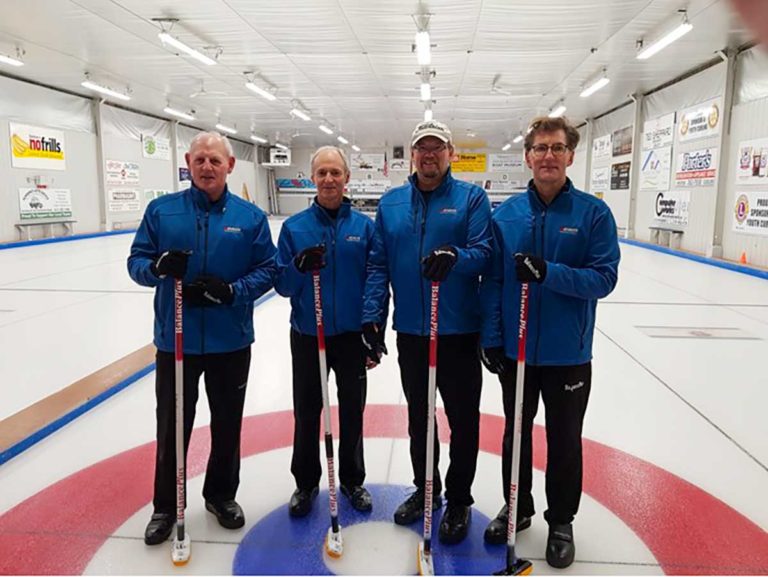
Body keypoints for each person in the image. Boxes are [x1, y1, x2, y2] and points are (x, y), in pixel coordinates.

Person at [479, 116, 620, 568]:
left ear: (570, 156)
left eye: (557, 148)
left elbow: (604, 278)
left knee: (564, 441)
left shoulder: (593, 214)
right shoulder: (506, 215)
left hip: (567, 354)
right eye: (540, 148)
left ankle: (561, 519)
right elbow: (493, 279)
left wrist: (550, 273)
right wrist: (493, 336)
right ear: (527, 157)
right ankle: (517, 507)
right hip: (517, 351)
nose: (548, 156)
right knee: (514, 435)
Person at [127, 131, 277, 545]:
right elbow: (136, 262)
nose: (207, 167)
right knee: (173, 425)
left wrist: (233, 291)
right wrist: (157, 267)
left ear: (230, 166)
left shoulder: (250, 218)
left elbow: (269, 269)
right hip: (177, 341)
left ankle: (221, 495)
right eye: (199, 161)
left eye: (215, 161)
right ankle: (165, 505)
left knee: (227, 424)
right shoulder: (162, 211)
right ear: (188, 164)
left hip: (231, 341)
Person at [363, 120, 492, 544]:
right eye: (423, 149)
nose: (429, 155)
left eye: (437, 148)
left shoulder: (471, 199)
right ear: (413, 155)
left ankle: (458, 499)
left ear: (450, 153)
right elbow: (379, 265)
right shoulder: (392, 204)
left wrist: (455, 256)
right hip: (414, 332)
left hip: (457, 330)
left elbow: (483, 253)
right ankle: (427, 489)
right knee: (420, 419)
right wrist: (373, 319)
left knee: (463, 421)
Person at [275, 146, 380, 517]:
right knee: (307, 411)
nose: (329, 180)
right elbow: (282, 285)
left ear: (347, 178)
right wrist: (298, 267)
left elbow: (375, 282)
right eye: (322, 173)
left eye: (336, 172)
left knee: (352, 410)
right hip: (308, 334)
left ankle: (352, 480)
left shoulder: (365, 228)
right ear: (312, 178)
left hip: (351, 336)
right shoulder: (294, 228)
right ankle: (305, 483)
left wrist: (373, 329)